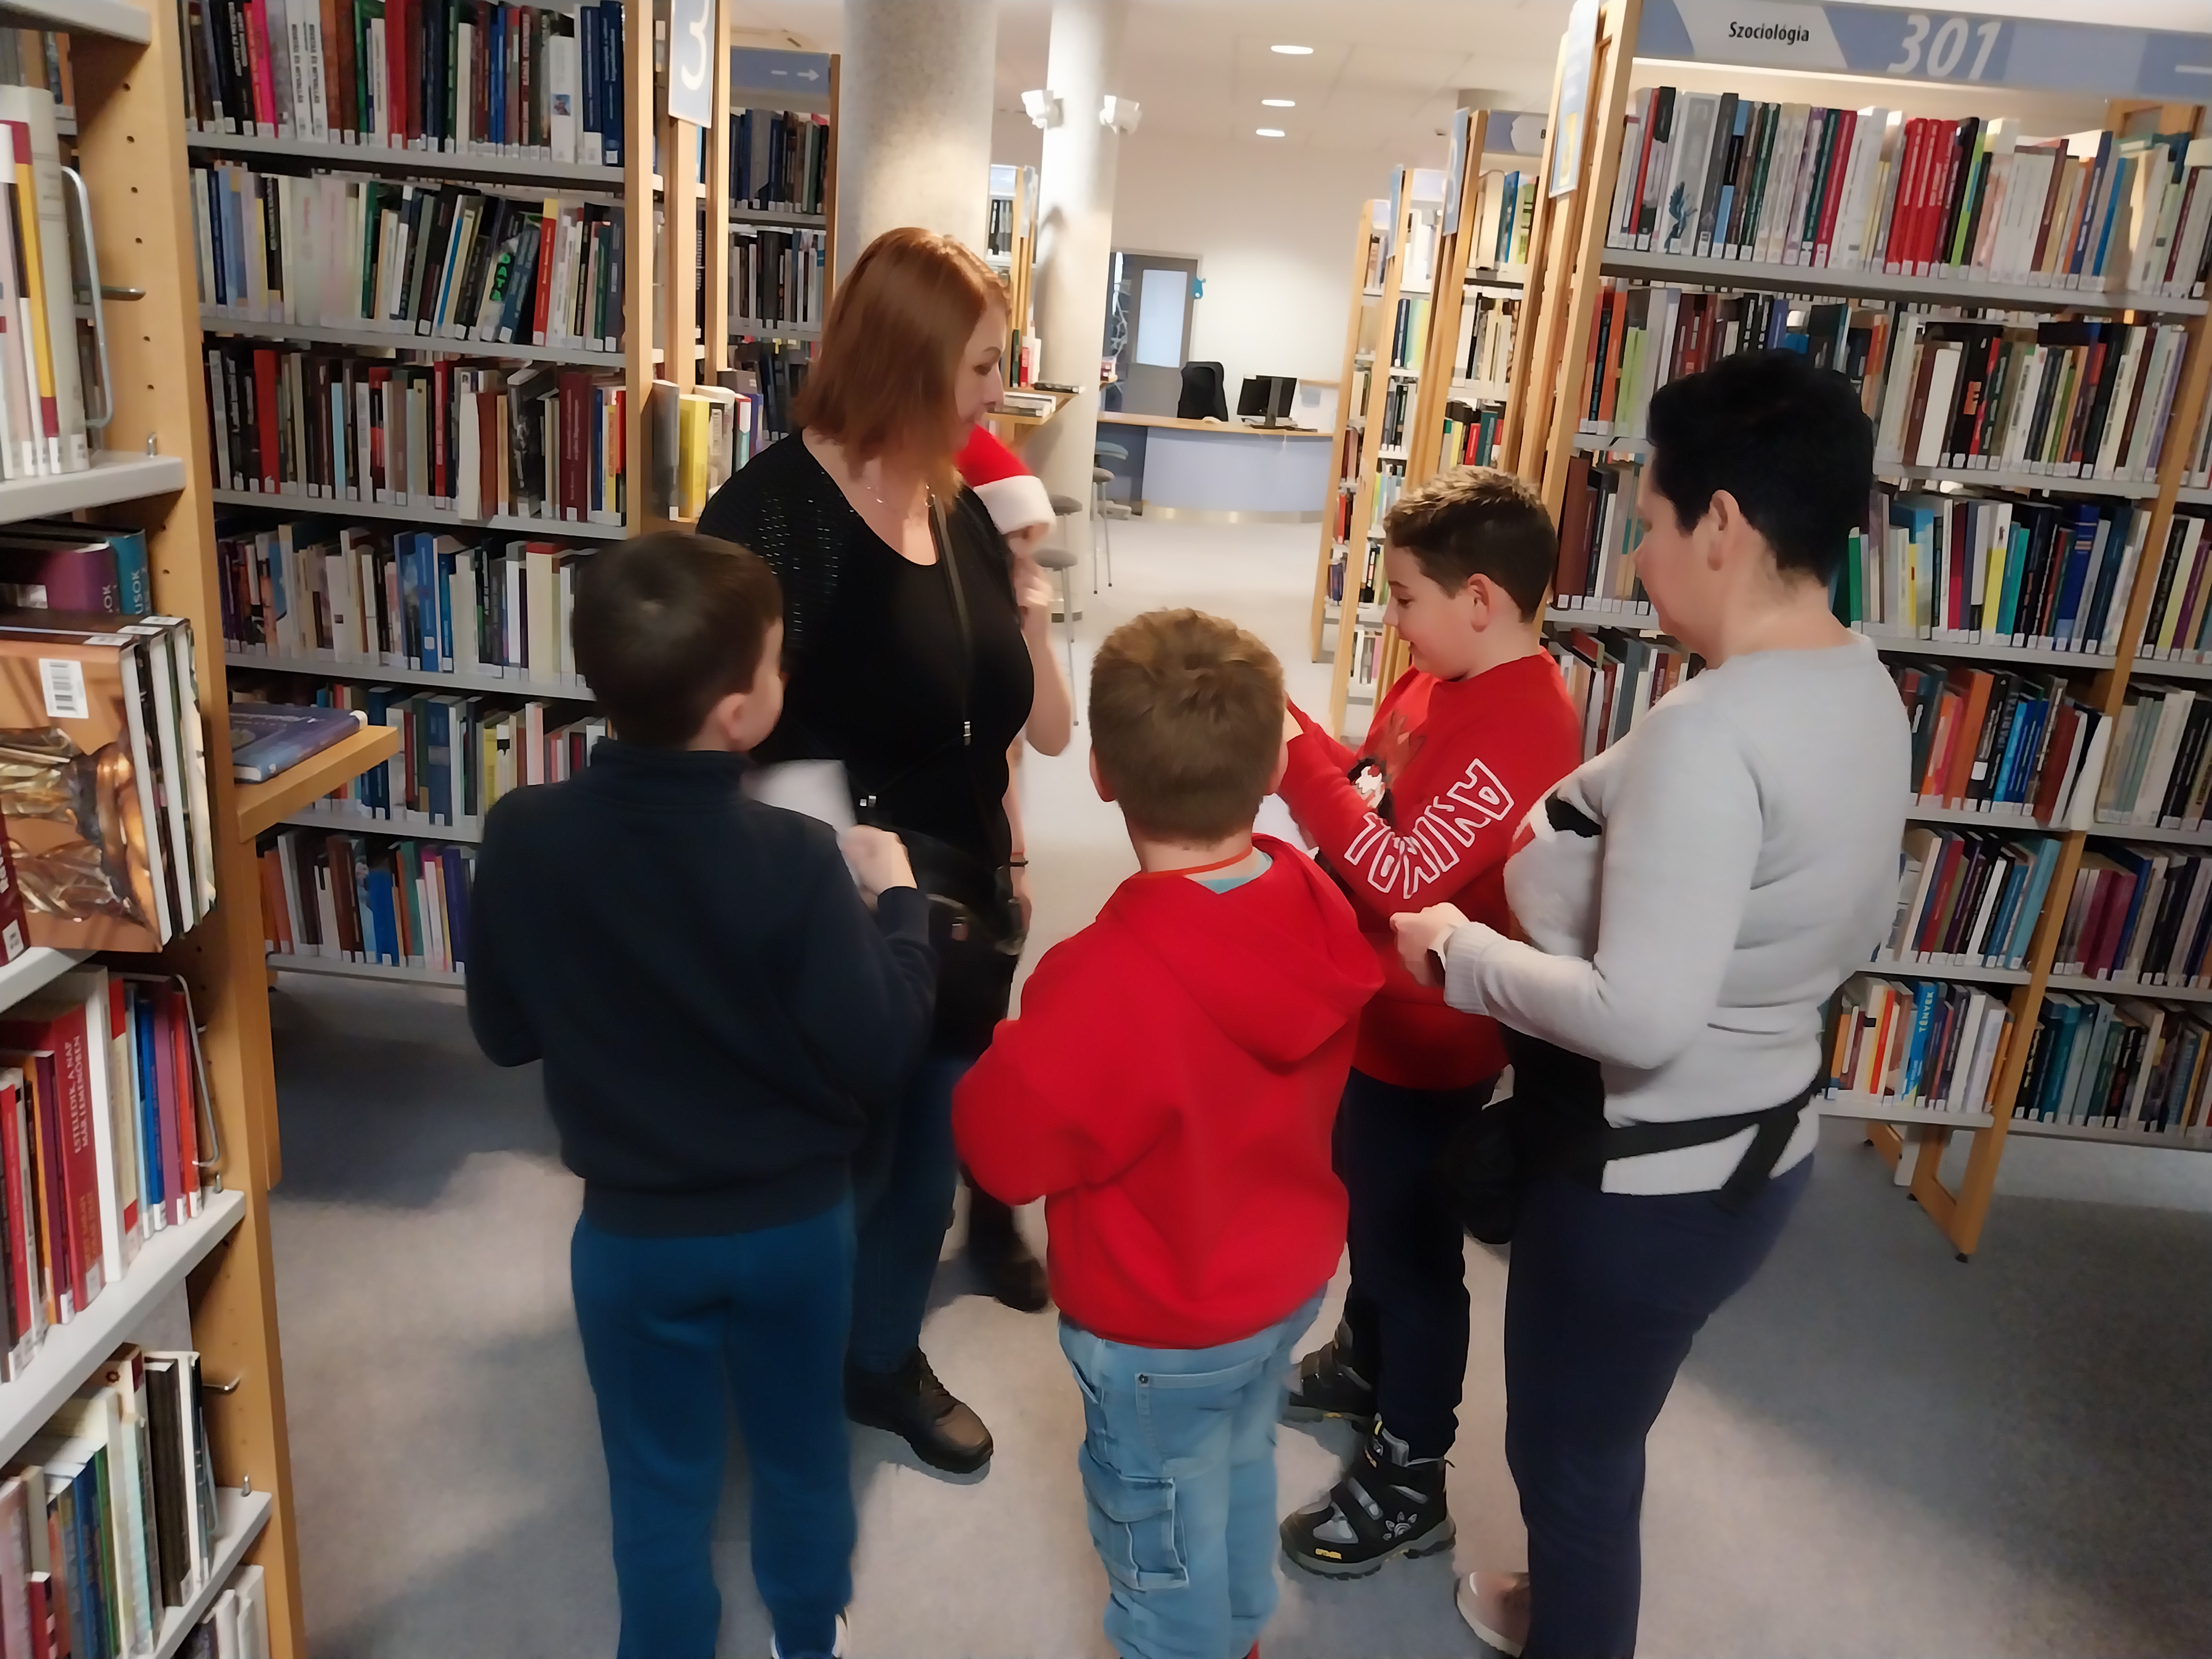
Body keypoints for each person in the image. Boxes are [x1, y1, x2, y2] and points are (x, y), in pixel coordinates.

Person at [1391, 350, 1911, 1658]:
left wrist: (1460, 951)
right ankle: (1561, 1603)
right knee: (1604, 1429)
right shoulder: (1862, 683)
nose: (1637, 559)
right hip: (1758, 1147)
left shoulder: (1710, 735)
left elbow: (1640, 1014)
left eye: (1652, 523)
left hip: (1644, 1179)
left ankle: (1574, 1625)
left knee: (1568, 1455)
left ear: (1721, 524)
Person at [464, 532, 938, 1659]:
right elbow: (884, 1045)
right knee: (800, 1453)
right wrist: (903, 906)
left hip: (633, 1240)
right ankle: (807, 1637)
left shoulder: (523, 832)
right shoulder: (798, 855)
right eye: (776, 662)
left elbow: (504, 1036)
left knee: (656, 1480)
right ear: (740, 713)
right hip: (794, 1231)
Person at [696, 227, 1073, 1476]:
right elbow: (715, 743)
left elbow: (987, 712)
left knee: (924, 1155)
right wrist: (841, 870)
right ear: (909, 362)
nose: (1001, 392)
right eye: (982, 365)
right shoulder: (772, 520)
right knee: (833, 1162)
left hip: (955, 907)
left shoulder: (953, 501)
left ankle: (879, 1360)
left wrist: (1012, 852)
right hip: (827, 910)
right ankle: (788, 1359)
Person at [954, 609, 1381, 1659]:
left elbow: (1000, 1150)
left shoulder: (1101, 981)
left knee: (1160, 1556)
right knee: (1237, 1464)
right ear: (1274, 769)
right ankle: (1239, 1636)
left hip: (1158, 1329)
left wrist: (1007, 1047)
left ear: (1101, 775)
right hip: (1284, 1285)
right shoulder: (1321, 906)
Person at [1271, 468, 1582, 1577]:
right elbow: (1374, 787)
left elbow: (1404, 873)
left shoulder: (1524, 727)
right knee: (1372, 1212)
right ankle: (1366, 1361)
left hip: (1432, 1041)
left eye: (1406, 598)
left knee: (1411, 1252)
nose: (1395, 621)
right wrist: (1301, 737)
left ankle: (1412, 1470)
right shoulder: (1440, 677)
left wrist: (1293, 767)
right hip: (1374, 1016)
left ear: (1481, 600)